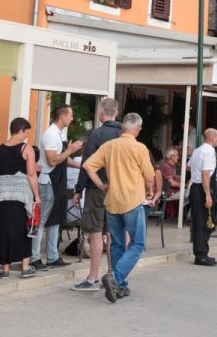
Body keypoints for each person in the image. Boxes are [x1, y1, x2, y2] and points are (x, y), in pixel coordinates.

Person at [81, 112, 158, 302]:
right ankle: (115, 277)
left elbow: (88, 165)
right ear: (137, 129)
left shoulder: (109, 146)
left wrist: (100, 184)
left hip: (112, 200)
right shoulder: (139, 148)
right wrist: (149, 191)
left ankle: (120, 286)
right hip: (132, 201)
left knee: (116, 243)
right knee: (137, 244)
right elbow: (149, 176)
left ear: (123, 127)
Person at [72, 98, 124, 291]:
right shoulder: (124, 134)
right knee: (112, 234)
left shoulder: (96, 134)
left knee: (95, 233)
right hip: (118, 190)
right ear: (116, 113)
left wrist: (78, 190)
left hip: (97, 189)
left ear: (102, 114)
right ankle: (112, 275)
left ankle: (92, 277)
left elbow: (87, 164)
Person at [0, 117, 40, 279]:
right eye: (26, 132)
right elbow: (31, 174)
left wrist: (3, 176)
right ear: (20, 130)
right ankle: (25, 268)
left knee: (3, 230)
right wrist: (37, 196)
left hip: (2, 194)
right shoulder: (27, 149)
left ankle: (5, 270)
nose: (26, 136)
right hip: (21, 195)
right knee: (23, 229)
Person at [32, 105, 81, 270]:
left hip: (58, 181)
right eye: (71, 115)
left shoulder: (59, 134)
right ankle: (35, 257)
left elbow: (63, 158)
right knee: (43, 220)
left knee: (55, 220)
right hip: (49, 182)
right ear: (63, 117)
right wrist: (71, 150)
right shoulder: (51, 134)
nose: (72, 118)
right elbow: (53, 160)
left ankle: (52, 256)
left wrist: (79, 165)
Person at [185, 128, 217, 266]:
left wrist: (196, 171)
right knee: (205, 221)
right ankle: (201, 255)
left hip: (195, 187)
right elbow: (206, 174)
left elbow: (189, 166)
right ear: (213, 138)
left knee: (198, 220)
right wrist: (208, 195)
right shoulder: (209, 152)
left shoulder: (197, 150)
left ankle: (201, 252)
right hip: (202, 188)